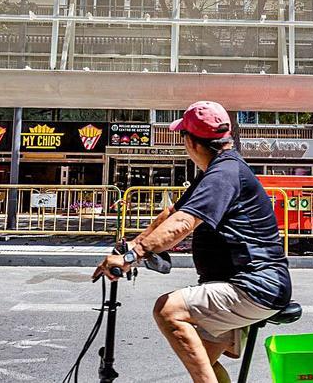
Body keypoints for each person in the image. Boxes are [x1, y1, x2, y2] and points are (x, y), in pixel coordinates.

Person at [93, 101, 292, 383]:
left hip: (253, 285)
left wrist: (131, 258)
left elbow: (184, 224)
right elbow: (171, 215)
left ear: (191, 142)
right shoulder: (214, 172)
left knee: (168, 310)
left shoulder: (225, 173)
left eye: (182, 137)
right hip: (237, 283)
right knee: (203, 362)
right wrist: (130, 245)